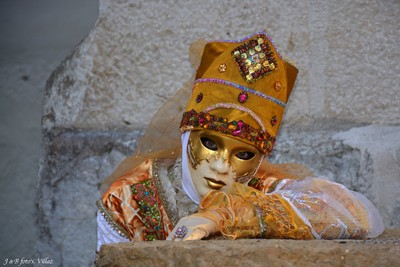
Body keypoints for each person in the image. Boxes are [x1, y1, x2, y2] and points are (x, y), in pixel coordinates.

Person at [96, 31, 384, 249]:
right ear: (186, 135)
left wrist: (223, 216)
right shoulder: (127, 200)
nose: (223, 168)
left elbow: (361, 216)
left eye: (243, 155)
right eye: (210, 143)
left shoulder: (263, 189)